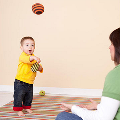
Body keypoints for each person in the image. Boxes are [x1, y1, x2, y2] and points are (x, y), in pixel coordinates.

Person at [55, 28, 120, 120]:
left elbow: (102, 118)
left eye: (112, 43)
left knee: (63, 117)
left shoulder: (116, 75)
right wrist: (99, 106)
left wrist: (74, 108)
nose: (109, 47)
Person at [13, 37, 43, 116]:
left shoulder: (33, 57)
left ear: (34, 48)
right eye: (27, 45)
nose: (30, 47)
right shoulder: (23, 56)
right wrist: (34, 58)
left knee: (29, 96)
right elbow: (27, 59)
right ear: (21, 48)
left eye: (32, 45)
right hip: (20, 81)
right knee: (19, 96)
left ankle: (27, 107)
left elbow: (36, 66)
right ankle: (19, 109)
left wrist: (40, 68)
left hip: (30, 82)